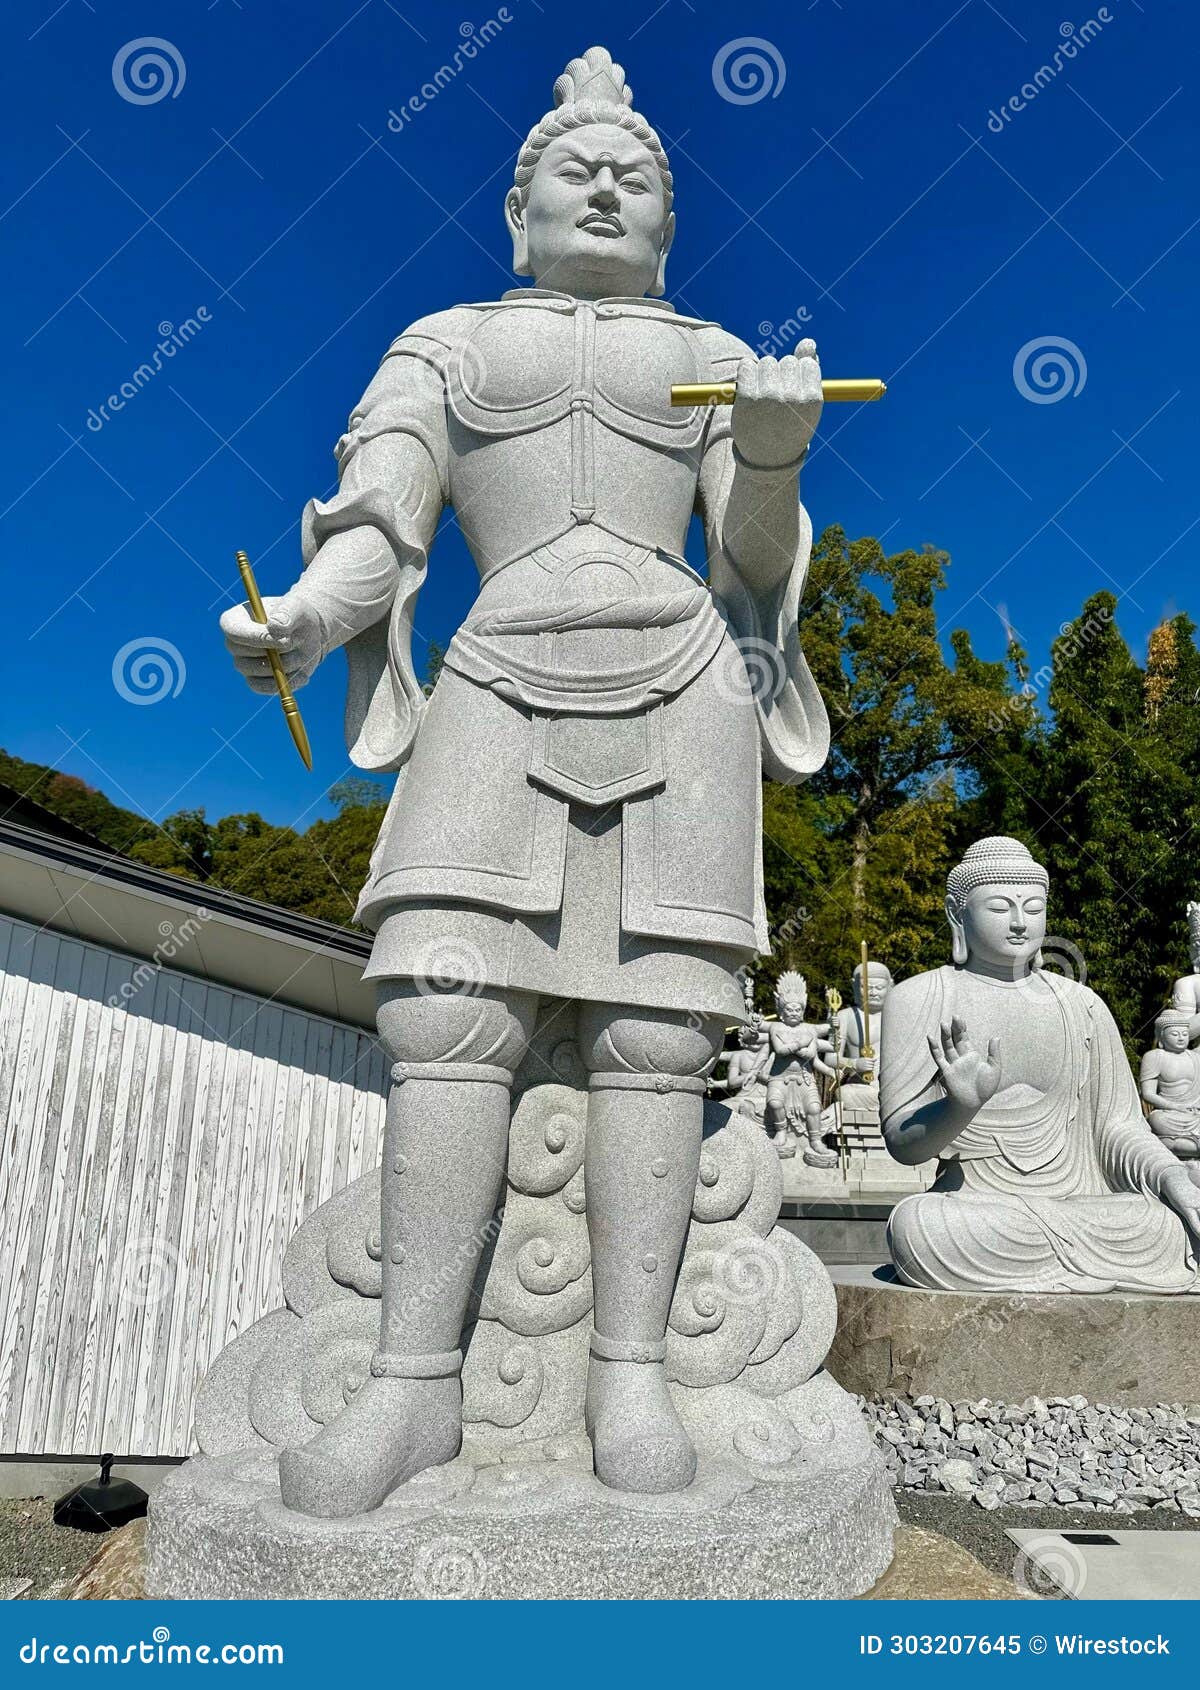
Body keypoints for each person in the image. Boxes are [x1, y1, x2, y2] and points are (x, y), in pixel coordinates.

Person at [220, 47, 829, 1514]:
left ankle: (631, 1368)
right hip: (498, 667)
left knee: (656, 1032)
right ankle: (413, 1383)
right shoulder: (444, 345)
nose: (611, 185)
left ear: (669, 227)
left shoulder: (709, 350)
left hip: (684, 680)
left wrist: (776, 454)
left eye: (640, 178)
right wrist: (308, 616)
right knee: (443, 998)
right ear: (519, 208)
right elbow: (384, 522)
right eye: (580, 169)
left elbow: (746, 562)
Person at [880, 837, 1200, 1294]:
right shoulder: (920, 998)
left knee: (1170, 1220)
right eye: (998, 908)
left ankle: (1081, 1260)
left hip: (1087, 1205)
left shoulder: (1082, 1005)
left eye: (1033, 908)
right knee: (917, 1227)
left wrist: (1172, 1177)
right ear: (957, 913)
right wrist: (959, 1108)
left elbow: (1119, 1129)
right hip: (978, 1207)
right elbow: (902, 1143)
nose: (1018, 923)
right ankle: (1093, 1267)